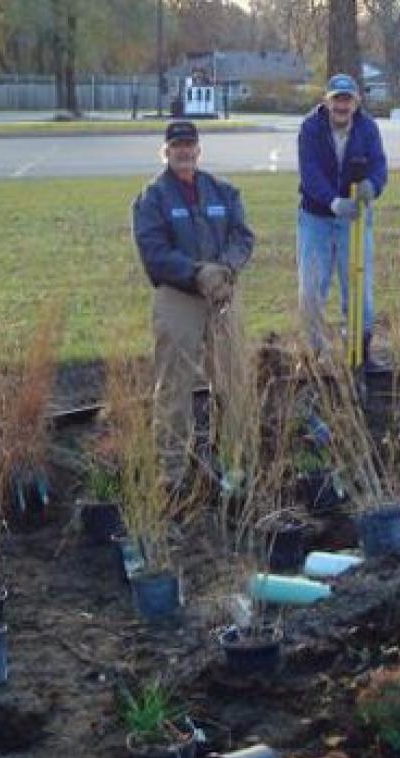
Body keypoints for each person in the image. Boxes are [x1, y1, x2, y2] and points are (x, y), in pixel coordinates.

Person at [132, 120, 254, 487]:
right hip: (178, 296)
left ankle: (232, 460)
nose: (184, 152)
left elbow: (243, 236)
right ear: (166, 151)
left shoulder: (222, 191)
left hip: (222, 294)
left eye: (190, 145)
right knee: (174, 386)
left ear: (199, 150)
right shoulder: (151, 198)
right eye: (176, 146)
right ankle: (171, 473)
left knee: (233, 380)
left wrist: (226, 268)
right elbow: (153, 253)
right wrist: (196, 273)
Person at [297, 73, 388, 360]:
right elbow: (309, 172)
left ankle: (359, 350)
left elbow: (379, 167)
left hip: (355, 219)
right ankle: (315, 353)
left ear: (356, 103)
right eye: (337, 99)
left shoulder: (368, 128)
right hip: (316, 217)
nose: (342, 106)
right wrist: (333, 202)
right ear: (327, 101)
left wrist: (372, 186)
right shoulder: (310, 128)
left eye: (347, 100)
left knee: (359, 287)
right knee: (312, 288)